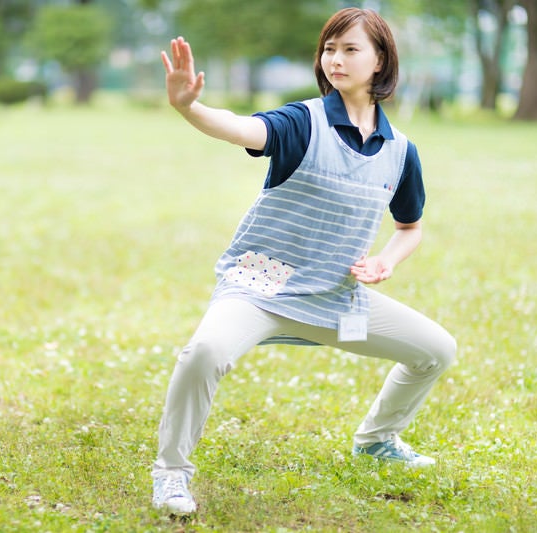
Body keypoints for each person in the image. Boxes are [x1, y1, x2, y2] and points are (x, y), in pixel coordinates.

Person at [151, 8, 457, 515]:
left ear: (381, 61)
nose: (335, 59)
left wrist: (386, 260)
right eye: (329, 49)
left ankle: (377, 441)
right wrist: (191, 109)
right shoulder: (302, 121)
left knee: (436, 351)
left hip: (336, 296)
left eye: (350, 49)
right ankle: (171, 474)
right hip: (262, 284)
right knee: (205, 352)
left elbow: (411, 228)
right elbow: (241, 128)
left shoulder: (400, 152)